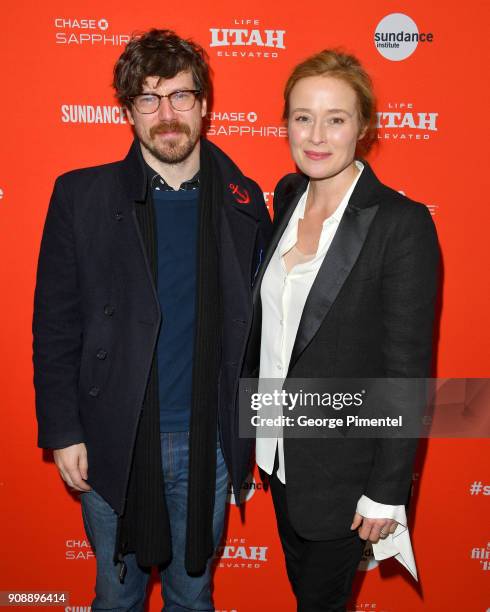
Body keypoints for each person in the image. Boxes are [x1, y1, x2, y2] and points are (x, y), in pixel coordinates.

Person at [33, 28, 271, 611]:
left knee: (194, 596)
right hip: (114, 433)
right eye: (148, 98)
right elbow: (56, 325)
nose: (167, 114)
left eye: (181, 96)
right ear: (129, 111)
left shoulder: (244, 201)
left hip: (209, 439)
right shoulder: (81, 197)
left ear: (205, 105)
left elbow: (257, 331)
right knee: (117, 597)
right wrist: (64, 431)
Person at [248, 50, 439, 610]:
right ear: (285, 122)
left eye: (336, 118)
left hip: (346, 473)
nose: (316, 135)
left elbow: (407, 369)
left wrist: (386, 492)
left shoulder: (400, 224)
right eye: (303, 116)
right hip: (277, 456)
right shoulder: (286, 196)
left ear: (364, 126)